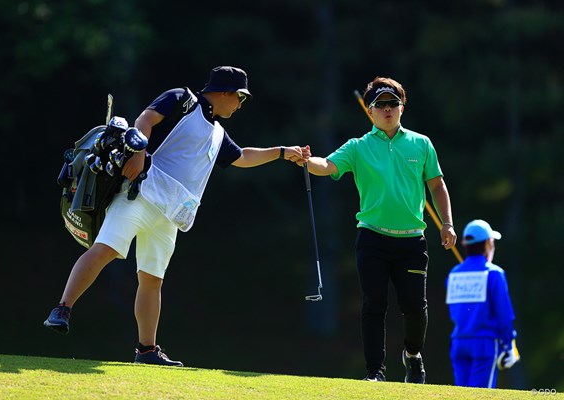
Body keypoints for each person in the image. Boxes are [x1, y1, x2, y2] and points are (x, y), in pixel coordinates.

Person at [44, 66, 309, 366]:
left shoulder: (218, 133)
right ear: (224, 92)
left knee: (152, 280)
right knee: (104, 250)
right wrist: (138, 153)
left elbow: (242, 157)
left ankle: (146, 351)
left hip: (171, 214)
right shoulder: (183, 99)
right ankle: (62, 309)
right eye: (240, 98)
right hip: (141, 195)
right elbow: (146, 119)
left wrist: (284, 152)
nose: (240, 105)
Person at [299, 77, 457, 383]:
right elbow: (326, 166)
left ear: (402, 108)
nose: (387, 110)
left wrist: (447, 222)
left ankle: (412, 354)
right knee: (374, 304)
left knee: (415, 309)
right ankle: (376, 373)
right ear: (370, 111)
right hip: (372, 238)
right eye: (380, 105)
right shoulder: (358, 147)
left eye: (393, 104)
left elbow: (437, 185)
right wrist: (306, 161)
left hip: (412, 241)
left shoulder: (421, 144)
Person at [446, 219, 520, 388]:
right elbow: (504, 315)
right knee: (480, 395)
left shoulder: (454, 274)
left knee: (461, 396)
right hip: (484, 344)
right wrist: (509, 345)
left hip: (458, 343)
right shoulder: (494, 273)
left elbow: (456, 312)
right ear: (487, 244)